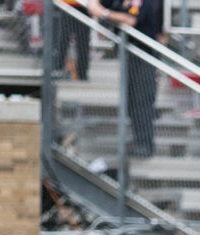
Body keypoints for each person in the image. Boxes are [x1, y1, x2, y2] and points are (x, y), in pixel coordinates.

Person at [87, 0, 164, 159]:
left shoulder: (144, 2)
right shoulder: (122, 2)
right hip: (130, 59)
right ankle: (138, 143)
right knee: (131, 103)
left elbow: (131, 20)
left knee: (142, 103)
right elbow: (103, 5)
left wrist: (104, 13)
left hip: (145, 58)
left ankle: (145, 145)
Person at [56, 0, 92, 81]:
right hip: (67, 5)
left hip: (84, 6)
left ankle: (82, 74)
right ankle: (57, 69)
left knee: (83, 43)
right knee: (63, 40)